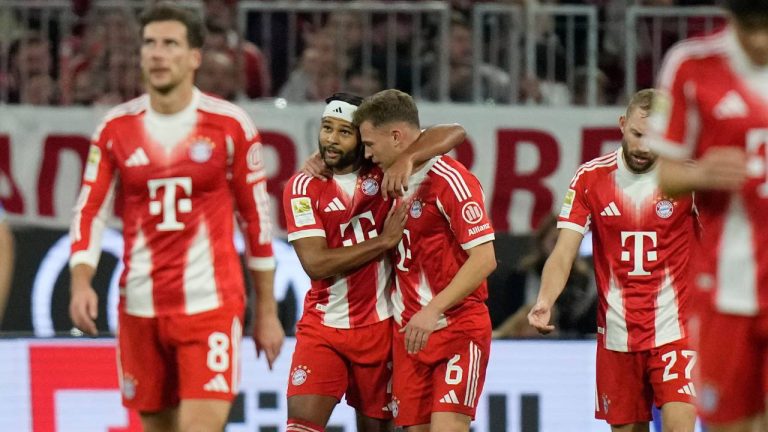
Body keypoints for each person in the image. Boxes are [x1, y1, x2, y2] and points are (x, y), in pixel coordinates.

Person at [68, 4, 283, 432]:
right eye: (150, 43)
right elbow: (90, 209)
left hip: (211, 305)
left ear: (194, 57)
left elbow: (255, 220)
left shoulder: (230, 125)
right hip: (140, 306)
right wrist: (80, 280)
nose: (158, 54)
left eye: (170, 44)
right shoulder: (116, 128)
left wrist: (267, 310)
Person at [283, 92, 466, 432]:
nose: (331, 140)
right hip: (323, 327)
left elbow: (454, 131)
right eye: (326, 129)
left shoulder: (383, 171)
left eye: (343, 132)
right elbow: (316, 263)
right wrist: (383, 242)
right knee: (300, 426)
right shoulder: (302, 186)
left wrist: (408, 159)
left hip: (381, 328)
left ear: (363, 138)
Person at [528, 89, 698, 432]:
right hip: (617, 337)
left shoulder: (687, 178)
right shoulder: (591, 178)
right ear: (622, 125)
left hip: (676, 332)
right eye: (637, 134)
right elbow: (563, 252)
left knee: (680, 425)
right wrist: (545, 300)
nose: (643, 147)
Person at [648, 1, 768, 430]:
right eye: (748, 26)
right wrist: (702, 171)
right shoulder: (690, 64)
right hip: (725, 287)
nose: (758, 40)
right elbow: (665, 175)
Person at [353, 89, 497, 432]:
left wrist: (432, 310)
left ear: (397, 137)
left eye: (371, 144)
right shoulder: (385, 180)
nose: (368, 154)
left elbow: (485, 259)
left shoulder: (451, 180)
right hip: (410, 336)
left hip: (456, 328)